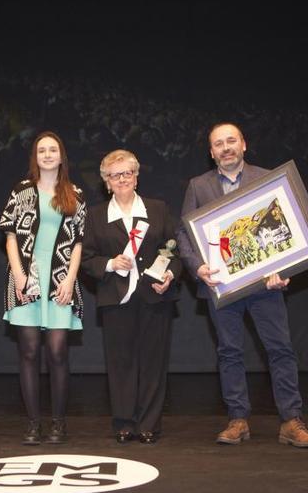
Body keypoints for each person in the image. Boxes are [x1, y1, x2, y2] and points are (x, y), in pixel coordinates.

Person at [176, 122, 308, 448]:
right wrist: (198, 267)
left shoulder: (269, 180)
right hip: (220, 286)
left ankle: (291, 422)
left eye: (231, 141)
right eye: (218, 144)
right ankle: (238, 420)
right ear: (211, 152)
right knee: (229, 352)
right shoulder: (198, 186)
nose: (225, 148)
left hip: (265, 286)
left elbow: (288, 231)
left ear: (244, 145)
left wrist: (285, 268)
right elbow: (184, 234)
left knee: (280, 350)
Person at [81, 149, 181, 444]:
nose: (122, 179)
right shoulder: (96, 216)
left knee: (153, 363)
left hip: (154, 297)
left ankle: (149, 424)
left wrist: (170, 275)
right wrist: (111, 263)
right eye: (115, 175)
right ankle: (124, 423)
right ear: (106, 182)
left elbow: (175, 252)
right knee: (120, 364)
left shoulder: (158, 209)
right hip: (116, 300)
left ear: (136, 178)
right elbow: (86, 259)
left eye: (127, 173)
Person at [0, 131, 85, 445]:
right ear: (35, 157)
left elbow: (78, 242)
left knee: (58, 352)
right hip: (25, 278)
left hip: (61, 278)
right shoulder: (21, 190)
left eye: (52, 150)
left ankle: (59, 423)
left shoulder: (74, 192)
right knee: (29, 352)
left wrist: (71, 278)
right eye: (41, 151)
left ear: (61, 156)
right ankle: (33, 423)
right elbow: (9, 236)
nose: (47, 154)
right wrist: (19, 277)